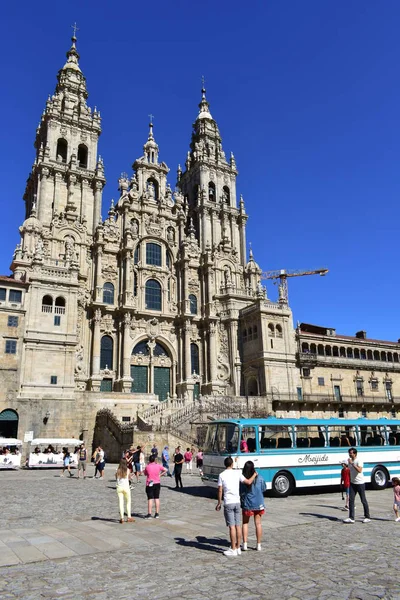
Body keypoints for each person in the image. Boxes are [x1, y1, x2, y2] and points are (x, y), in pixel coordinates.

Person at [216, 456, 257, 557]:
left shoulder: (221, 475)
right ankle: (238, 547)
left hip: (228, 502)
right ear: (232, 464)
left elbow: (220, 490)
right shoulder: (237, 473)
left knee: (231, 526)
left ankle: (233, 548)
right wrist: (254, 475)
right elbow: (248, 482)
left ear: (225, 465)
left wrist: (219, 502)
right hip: (237, 501)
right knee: (238, 525)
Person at [240, 460, 266, 551]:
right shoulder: (260, 478)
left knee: (245, 523)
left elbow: (241, 491)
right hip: (258, 503)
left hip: (248, 503)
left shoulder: (243, 479)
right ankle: (258, 545)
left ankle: (245, 544)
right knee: (258, 524)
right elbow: (264, 488)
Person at [343, 448, 371, 524]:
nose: (349, 454)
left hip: (360, 483)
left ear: (355, 454)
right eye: (349, 453)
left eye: (351, 453)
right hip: (352, 483)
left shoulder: (359, 460)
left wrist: (352, 464)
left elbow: (359, 470)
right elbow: (349, 471)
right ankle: (351, 518)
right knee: (351, 500)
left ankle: (367, 517)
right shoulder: (349, 461)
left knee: (363, 500)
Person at [143, 454, 167, 519]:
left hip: (150, 483)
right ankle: (157, 514)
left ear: (149, 460)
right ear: (154, 460)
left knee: (150, 498)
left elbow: (145, 473)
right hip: (157, 483)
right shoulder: (158, 466)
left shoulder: (147, 467)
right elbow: (165, 470)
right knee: (157, 498)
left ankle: (149, 514)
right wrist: (160, 475)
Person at [115, 458, 135, 524]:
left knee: (121, 502)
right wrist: (131, 476)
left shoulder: (117, 470)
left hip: (119, 488)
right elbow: (129, 478)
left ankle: (122, 518)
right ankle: (129, 517)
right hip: (126, 487)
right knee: (128, 502)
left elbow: (116, 478)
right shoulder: (128, 470)